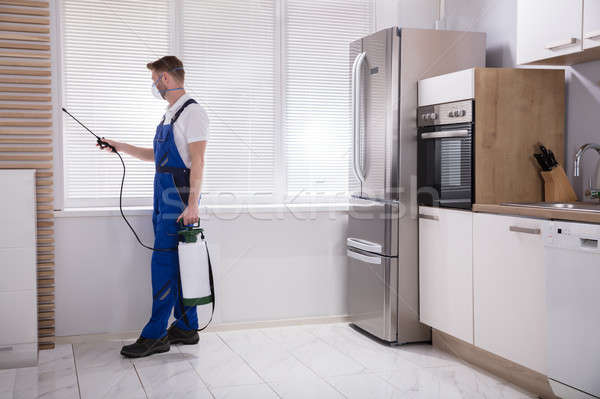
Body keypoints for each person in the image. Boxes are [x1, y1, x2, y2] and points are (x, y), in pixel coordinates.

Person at [99, 56, 209, 358]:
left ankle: (156, 334)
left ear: (166, 78)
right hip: (163, 194)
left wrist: (192, 204)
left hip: (178, 197)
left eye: (155, 78)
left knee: (163, 265)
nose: (153, 84)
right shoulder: (169, 115)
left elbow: (198, 161)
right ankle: (187, 327)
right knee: (179, 262)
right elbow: (156, 156)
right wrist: (119, 146)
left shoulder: (192, 113)